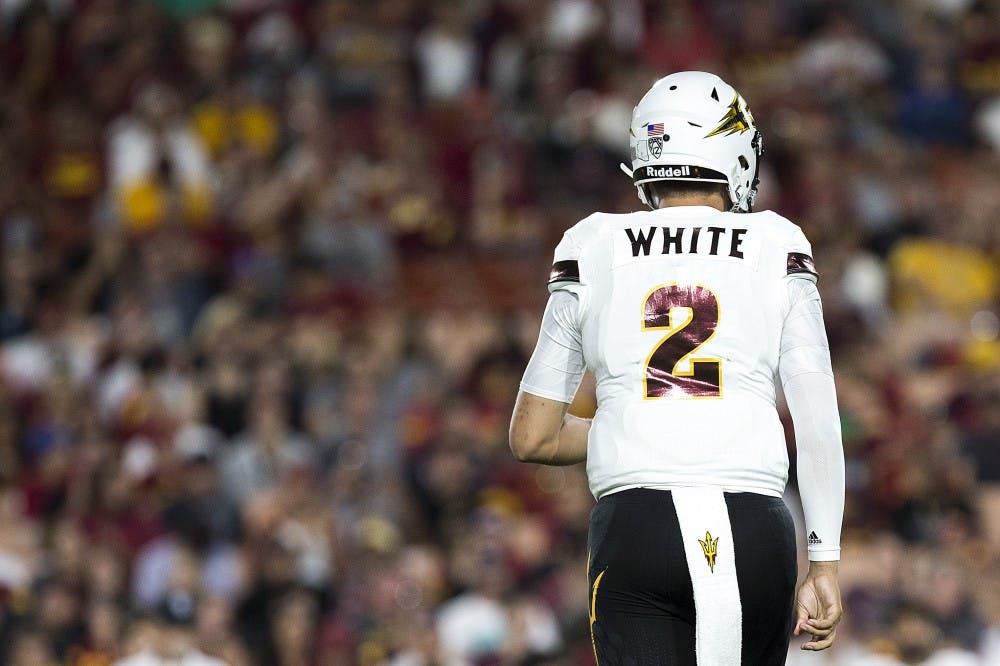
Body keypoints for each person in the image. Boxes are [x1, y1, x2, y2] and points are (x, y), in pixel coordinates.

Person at [509, 71, 845, 665]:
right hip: (749, 521)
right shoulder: (775, 240)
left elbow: (532, 434)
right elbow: (817, 422)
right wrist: (823, 560)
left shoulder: (592, 242)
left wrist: (636, 424)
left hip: (633, 525)